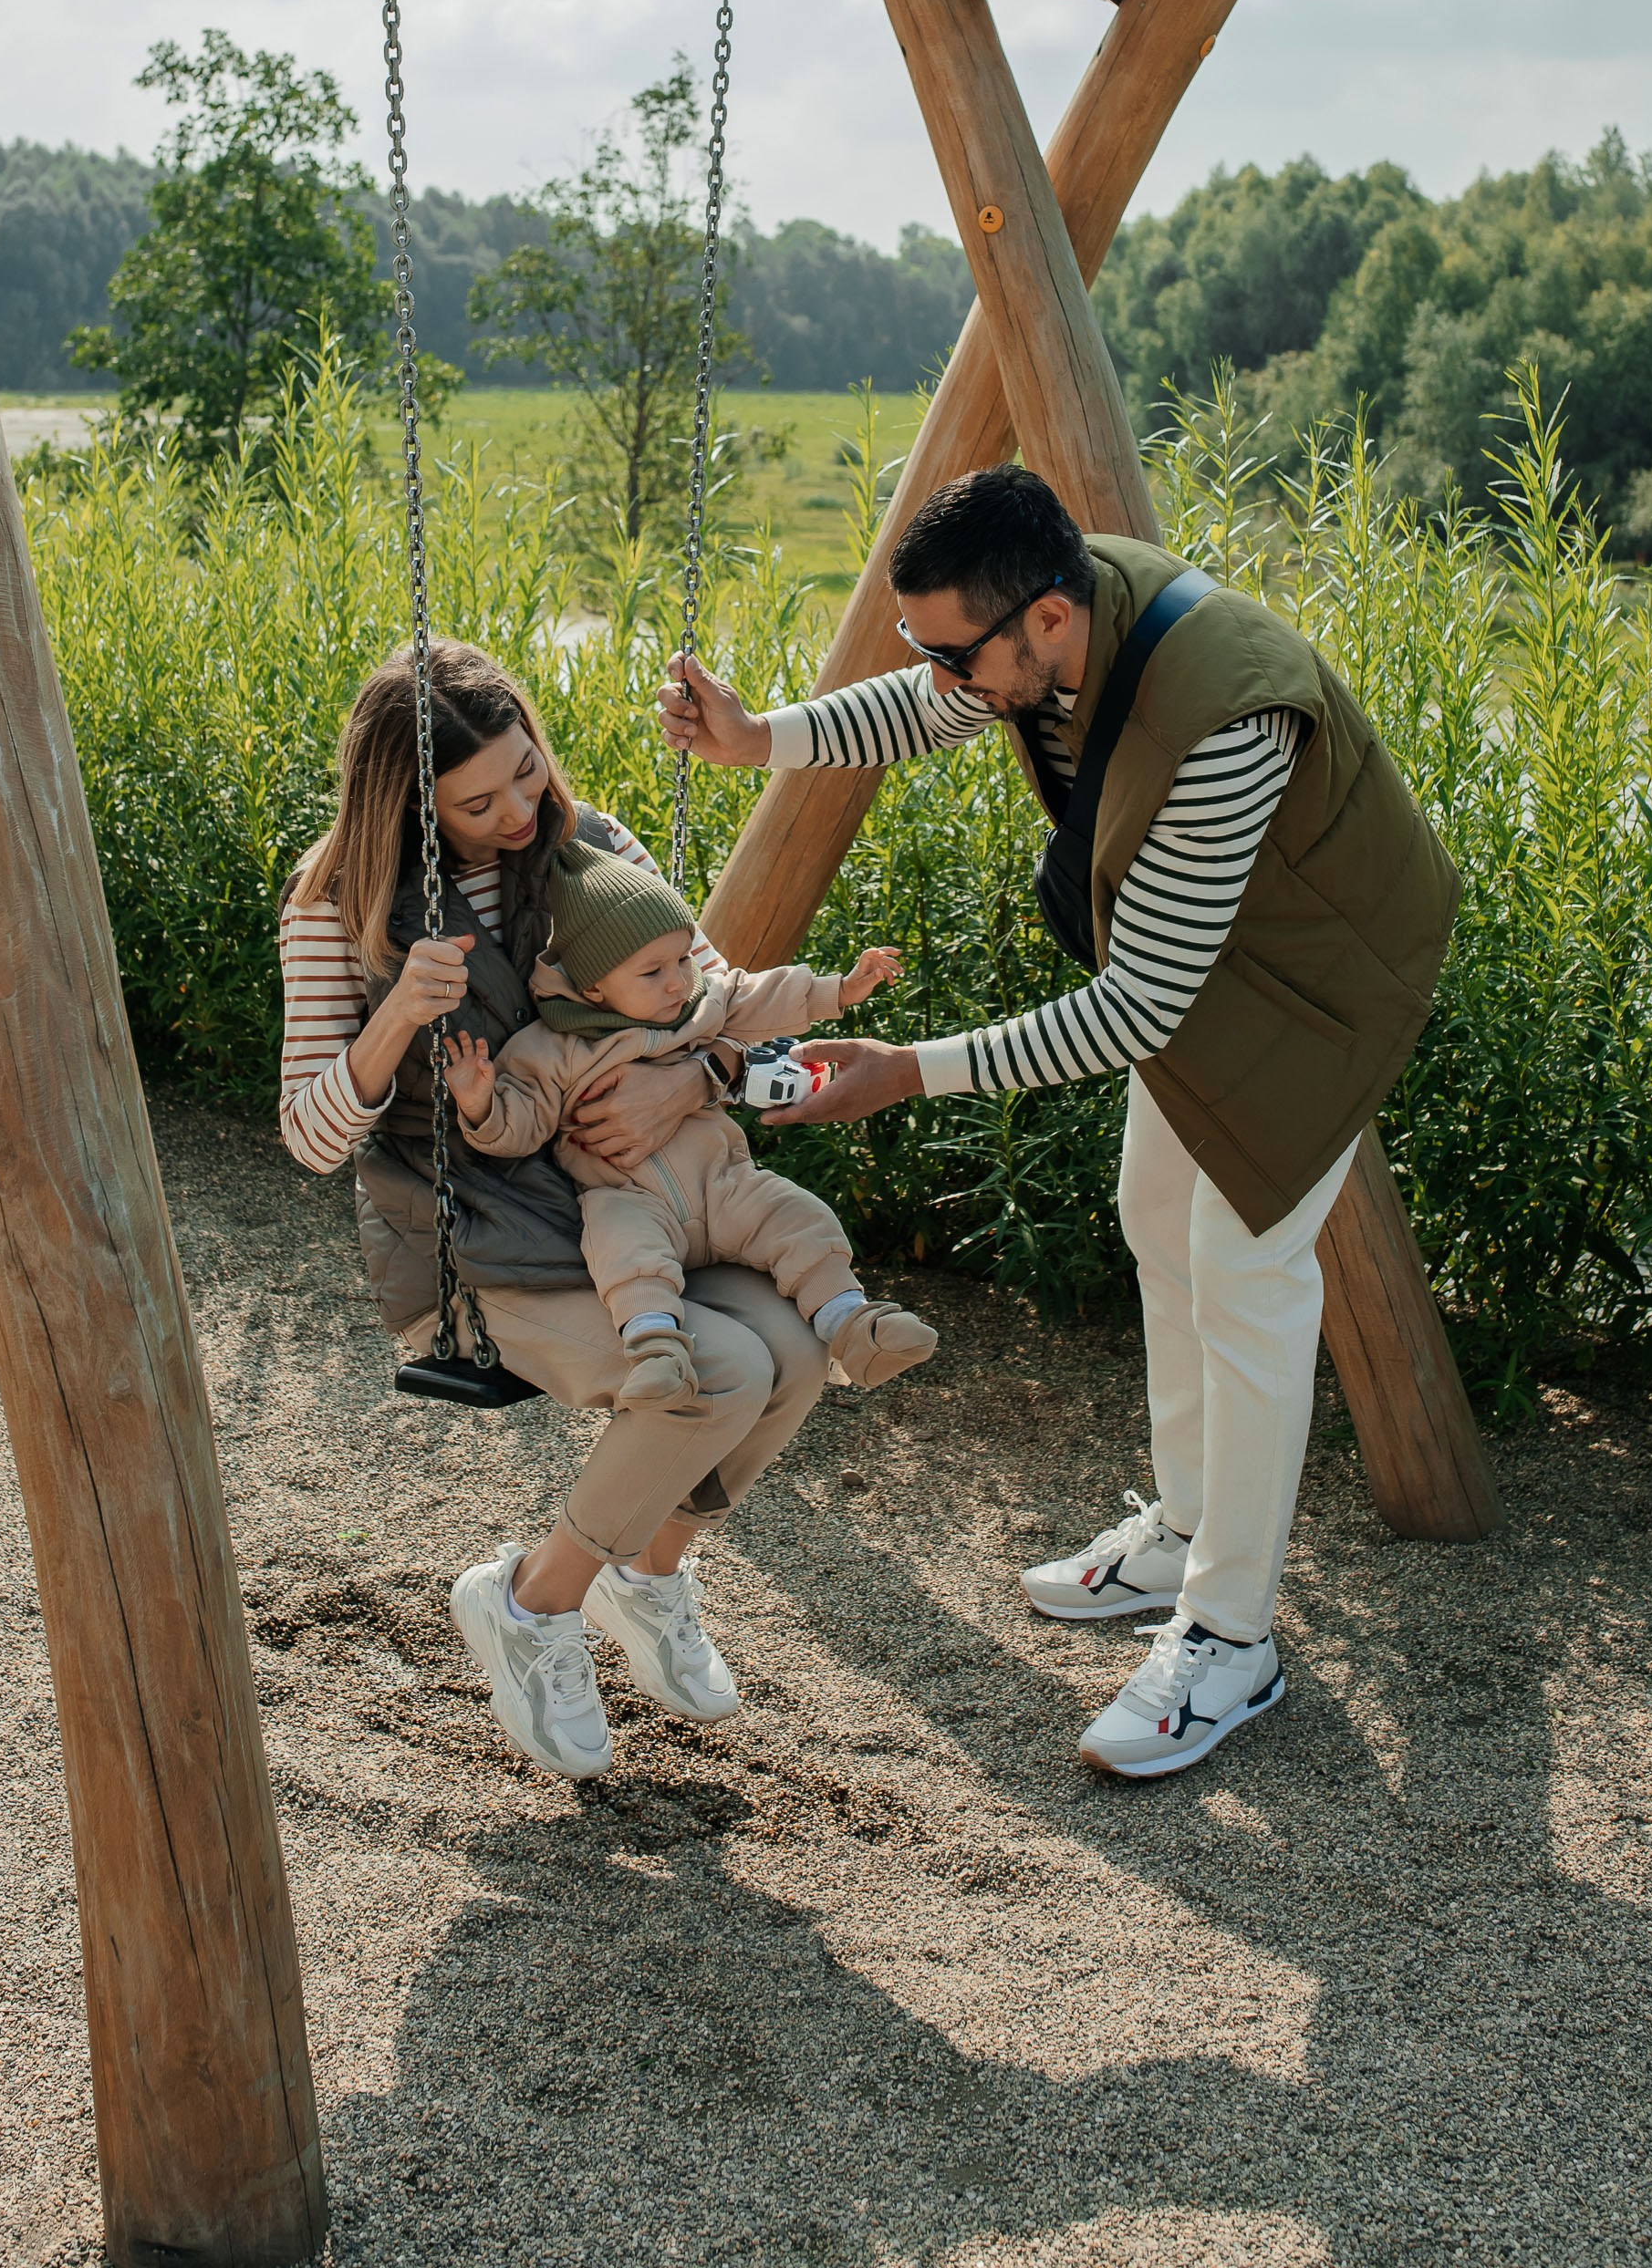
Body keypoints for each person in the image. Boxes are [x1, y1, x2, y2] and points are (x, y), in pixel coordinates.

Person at [658, 466, 1460, 1780]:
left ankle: (1231, 1635)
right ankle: (1188, 1527)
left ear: (1040, 619)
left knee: (1247, 1271)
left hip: (1324, 979)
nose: (940, 679)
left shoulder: (1222, 721)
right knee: (1159, 1218)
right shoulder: (1040, 619)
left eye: (954, 654)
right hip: (1208, 950)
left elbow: (1136, 1010)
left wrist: (907, 1069)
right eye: (928, 649)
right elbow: (928, 711)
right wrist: (765, 739)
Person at [279, 637, 831, 1786]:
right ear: (408, 808)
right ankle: (531, 1606)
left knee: (796, 1344)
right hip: (490, 1243)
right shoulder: (337, 906)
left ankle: (647, 1575)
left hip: (643, 1200)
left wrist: (695, 1077)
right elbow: (310, 1140)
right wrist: (393, 1026)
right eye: (477, 803)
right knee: (718, 1369)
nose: (520, 810)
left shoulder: (593, 851)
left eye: (526, 773)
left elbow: (728, 1014)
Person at [440, 835, 937, 1399]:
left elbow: (757, 994)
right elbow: (521, 1125)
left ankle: (855, 1326)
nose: (678, 980)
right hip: (629, 1197)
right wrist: (481, 1103)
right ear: (593, 986)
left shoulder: (697, 1004)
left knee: (796, 1217)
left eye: (681, 958)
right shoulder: (553, 1047)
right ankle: (656, 1353)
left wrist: (841, 989)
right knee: (622, 1253)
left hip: (723, 1184)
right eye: (652, 972)